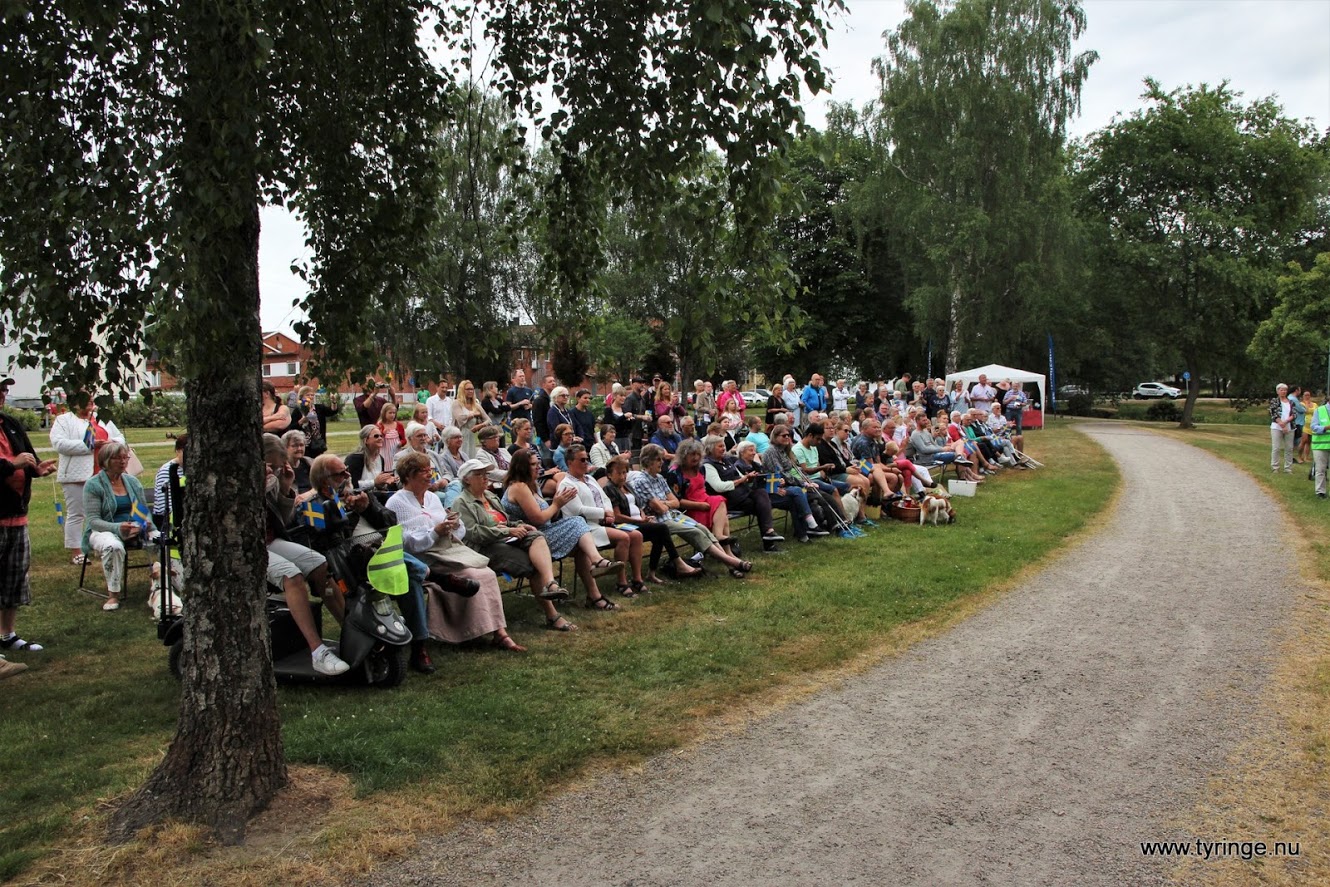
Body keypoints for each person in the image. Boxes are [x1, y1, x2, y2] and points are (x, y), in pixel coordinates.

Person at [304, 453, 434, 673]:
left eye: (347, 470)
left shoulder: (362, 495)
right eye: (341, 473)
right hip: (352, 566)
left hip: (384, 558)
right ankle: (436, 577)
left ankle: (419, 645)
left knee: (408, 578)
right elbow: (321, 537)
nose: (347, 475)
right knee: (408, 571)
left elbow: (391, 522)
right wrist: (345, 509)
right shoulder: (314, 505)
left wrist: (366, 509)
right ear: (325, 480)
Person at [387, 452, 525, 651]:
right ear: (408, 475)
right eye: (424, 471)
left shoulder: (432, 498)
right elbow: (403, 543)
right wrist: (434, 533)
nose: (429, 475)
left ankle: (499, 632)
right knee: (472, 574)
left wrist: (454, 524)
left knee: (486, 573)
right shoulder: (396, 503)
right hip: (423, 558)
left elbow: (459, 532)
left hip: (448, 550)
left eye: (430, 470)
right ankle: (470, 631)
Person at [452, 459, 578, 630]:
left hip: (506, 539)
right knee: (533, 565)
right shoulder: (461, 502)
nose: (485, 478)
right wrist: (507, 531)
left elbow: (505, 520)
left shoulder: (489, 496)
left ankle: (550, 583)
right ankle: (553, 616)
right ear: (467, 480)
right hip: (486, 548)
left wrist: (518, 525)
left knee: (536, 535)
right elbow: (473, 533)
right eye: (479, 475)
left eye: (486, 474)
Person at [502, 448, 622, 610]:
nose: (538, 467)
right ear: (521, 467)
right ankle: (597, 561)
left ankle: (595, 596)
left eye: (538, 463)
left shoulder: (533, 486)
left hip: (543, 532)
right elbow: (538, 518)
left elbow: (547, 516)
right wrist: (557, 504)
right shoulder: (519, 487)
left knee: (580, 541)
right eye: (533, 464)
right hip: (529, 539)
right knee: (578, 522)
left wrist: (558, 504)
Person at [629, 444, 752, 577]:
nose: (662, 462)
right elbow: (660, 508)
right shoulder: (642, 480)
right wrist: (666, 504)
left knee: (702, 528)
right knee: (695, 532)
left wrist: (665, 504)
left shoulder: (659, 478)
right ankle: (732, 563)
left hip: (673, 515)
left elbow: (674, 502)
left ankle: (731, 565)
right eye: (658, 460)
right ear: (649, 461)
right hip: (659, 521)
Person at [0, 376, 57, 656]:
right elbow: (12, 462)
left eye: (4, 389)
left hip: (17, 517)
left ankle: (7, 635)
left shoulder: (10, 424)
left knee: (13, 579)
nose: (3, 393)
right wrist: (13, 464)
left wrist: (37, 469)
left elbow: (27, 457)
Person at [558, 445, 644, 597]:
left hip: (602, 522)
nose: (586, 463)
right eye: (582, 460)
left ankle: (637, 578)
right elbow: (578, 510)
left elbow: (604, 498)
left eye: (587, 459)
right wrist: (603, 513)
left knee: (636, 535)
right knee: (623, 537)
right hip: (584, 528)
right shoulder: (566, 484)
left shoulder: (590, 478)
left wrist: (609, 511)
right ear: (570, 462)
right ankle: (622, 582)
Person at [602, 456, 701, 585]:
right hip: (625, 525)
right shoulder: (609, 489)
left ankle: (652, 573)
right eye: (619, 473)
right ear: (609, 475)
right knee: (661, 529)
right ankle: (677, 563)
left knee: (659, 532)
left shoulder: (627, 486)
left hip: (639, 522)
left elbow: (639, 506)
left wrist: (644, 517)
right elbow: (617, 516)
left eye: (625, 472)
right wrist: (639, 521)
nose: (623, 476)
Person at [49, 396, 123, 565]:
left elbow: (119, 437)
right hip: (76, 474)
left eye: (91, 399)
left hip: (104, 472)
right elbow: (60, 444)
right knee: (77, 512)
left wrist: (110, 443)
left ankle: (102, 543)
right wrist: (90, 445)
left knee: (105, 510)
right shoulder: (64, 420)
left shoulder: (100, 417)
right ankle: (77, 551)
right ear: (74, 403)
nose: (90, 402)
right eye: (85, 399)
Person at [700, 435, 783, 550]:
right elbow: (718, 487)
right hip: (727, 500)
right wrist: (740, 481)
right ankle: (769, 540)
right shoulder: (708, 465)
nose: (724, 448)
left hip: (743, 495)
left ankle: (769, 535)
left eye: (724, 445)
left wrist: (748, 478)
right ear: (710, 448)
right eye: (720, 446)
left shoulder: (726, 460)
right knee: (761, 504)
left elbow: (741, 477)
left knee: (761, 495)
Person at [671, 439, 733, 540]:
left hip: (705, 500)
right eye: (692, 455)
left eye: (698, 454)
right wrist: (700, 505)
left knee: (719, 501)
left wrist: (705, 504)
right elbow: (677, 501)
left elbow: (702, 489)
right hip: (690, 507)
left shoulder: (701, 468)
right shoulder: (675, 473)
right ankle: (722, 541)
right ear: (683, 455)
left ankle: (723, 543)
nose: (696, 458)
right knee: (721, 513)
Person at [394, 422, 451, 494]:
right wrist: (425, 485)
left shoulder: (433, 454)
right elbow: (399, 483)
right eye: (419, 436)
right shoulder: (401, 457)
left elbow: (447, 473)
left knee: (456, 483)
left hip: (441, 486)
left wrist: (444, 480)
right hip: (423, 491)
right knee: (445, 497)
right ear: (410, 439)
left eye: (425, 435)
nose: (423, 438)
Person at [346, 425, 399, 494]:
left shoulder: (380, 458)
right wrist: (374, 482)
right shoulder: (355, 459)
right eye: (376, 436)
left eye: (381, 436)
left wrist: (384, 482)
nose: (380, 438)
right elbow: (352, 485)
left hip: (375, 497)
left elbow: (378, 485)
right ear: (366, 440)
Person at [293, 386, 340, 458]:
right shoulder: (298, 410)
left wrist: (333, 401)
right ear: (301, 397)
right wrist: (301, 421)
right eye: (308, 395)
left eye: (312, 395)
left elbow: (332, 411)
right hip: (304, 443)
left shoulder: (319, 408)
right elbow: (292, 427)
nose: (310, 397)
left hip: (318, 443)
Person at [451, 379, 488, 457]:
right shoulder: (456, 403)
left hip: (471, 436)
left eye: (472, 389)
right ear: (462, 390)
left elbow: (488, 420)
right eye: (468, 389)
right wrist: (474, 414)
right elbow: (460, 418)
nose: (470, 391)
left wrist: (479, 426)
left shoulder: (476, 405)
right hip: (458, 435)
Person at [1270, 383, 1296, 473]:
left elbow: (1294, 414)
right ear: (1278, 391)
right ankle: (1275, 467)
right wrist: (1281, 424)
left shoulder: (1291, 402)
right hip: (1277, 427)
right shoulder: (1274, 401)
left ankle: (1288, 468)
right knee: (1276, 448)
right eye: (1281, 390)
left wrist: (1286, 422)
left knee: (1289, 448)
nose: (1283, 391)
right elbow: (1274, 413)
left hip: (1289, 427)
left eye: (1285, 390)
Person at [1310, 395, 1330, 499]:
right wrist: (1325, 428)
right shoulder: (1319, 410)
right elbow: (1313, 427)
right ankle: (1320, 492)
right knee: (1320, 469)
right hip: (1320, 445)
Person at [283, 429, 314, 494]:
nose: (299, 449)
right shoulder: (281, 469)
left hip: (313, 500)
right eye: (295, 445)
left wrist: (310, 493)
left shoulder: (310, 463)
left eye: (302, 445)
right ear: (285, 447)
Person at [376, 401, 406, 466]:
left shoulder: (399, 425)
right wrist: (382, 434)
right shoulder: (379, 425)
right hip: (384, 454)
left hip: (397, 452)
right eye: (390, 413)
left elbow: (404, 439)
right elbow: (376, 440)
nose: (392, 415)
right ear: (384, 413)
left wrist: (401, 443)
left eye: (394, 413)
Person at [532, 374, 556, 443]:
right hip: (544, 438)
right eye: (550, 382)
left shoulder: (554, 400)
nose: (553, 383)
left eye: (554, 381)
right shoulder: (539, 401)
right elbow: (538, 421)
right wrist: (545, 439)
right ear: (544, 385)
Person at [1298, 388, 1316, 465]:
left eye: (1308, 395)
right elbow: (1305, 410)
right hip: (1305, 424)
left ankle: (1306, 457)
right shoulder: (1301, 404)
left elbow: (1317, 411)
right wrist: (1308, 407)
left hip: (1312, 424)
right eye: (1305, 395)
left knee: (1309, 441)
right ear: (1303, 396)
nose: (1307, 396)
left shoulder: (1315, 404)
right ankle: (1299, 456)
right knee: (1304, 440)